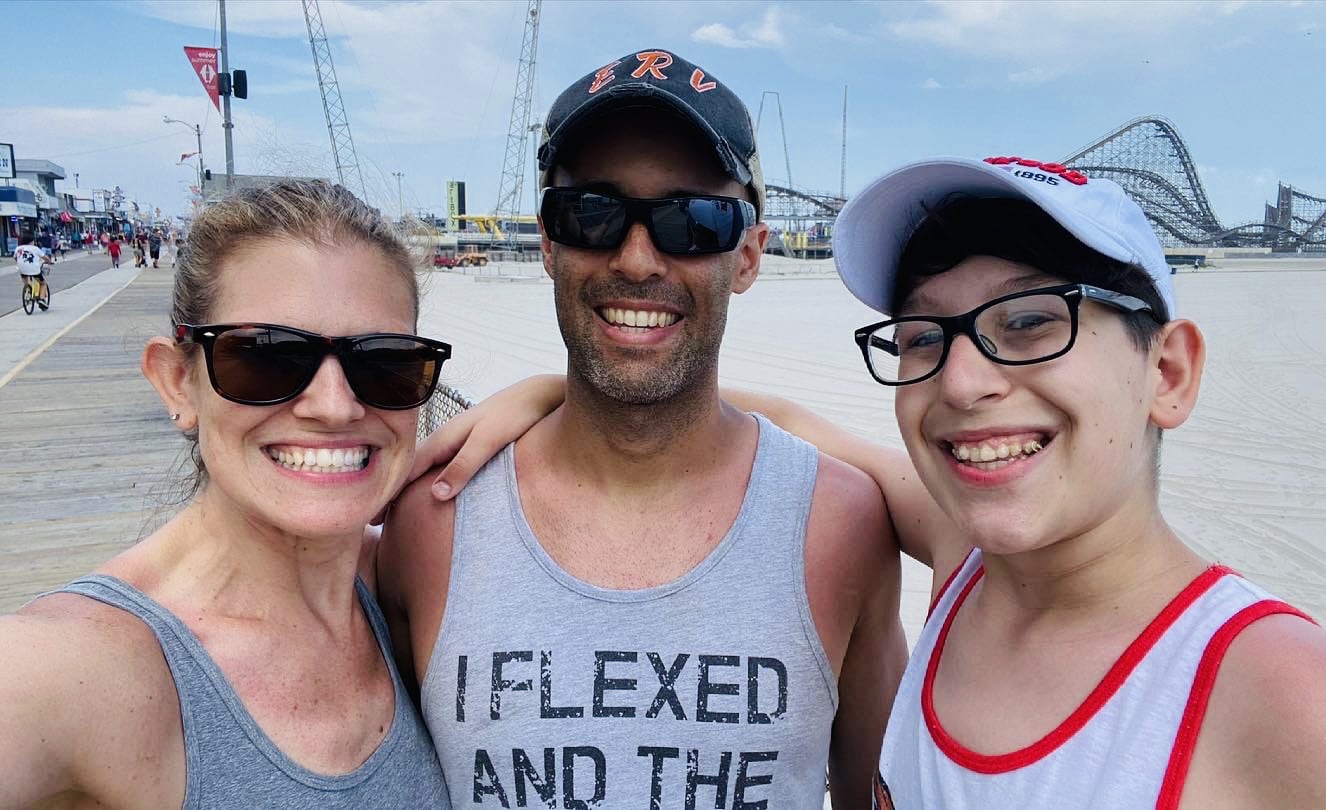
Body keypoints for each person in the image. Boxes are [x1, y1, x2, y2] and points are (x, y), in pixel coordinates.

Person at [414, 156, 1326, 807]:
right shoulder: (961, 568)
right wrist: (558, 390)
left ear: (1166, 373)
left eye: (1033, 321)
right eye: (922, 336)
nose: (964, 379)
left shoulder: (1295, 706)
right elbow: (778, 420)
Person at [378, 48, 906, 808]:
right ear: (550, 243)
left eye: (691, 221)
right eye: (592, 213)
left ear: (749, 254)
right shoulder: (433, 524)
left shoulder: (844, 525)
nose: (635, 258)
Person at [0, 180, 453, 808]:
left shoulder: (405, 581)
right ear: (178, 383)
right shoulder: (69, 668)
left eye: (384, 362)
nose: (335, 406)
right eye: (266, 357)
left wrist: (551, 399)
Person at [14, 232, 51, 308]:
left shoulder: (18, 248)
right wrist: (49, 261)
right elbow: (45, 258)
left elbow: (15, 257)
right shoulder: (35, 248)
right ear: (31, 241)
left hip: (22, 269)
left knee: (25, 280)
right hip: (34, 270)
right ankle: (41, 299)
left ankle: (28, 289)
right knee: (43, 283)